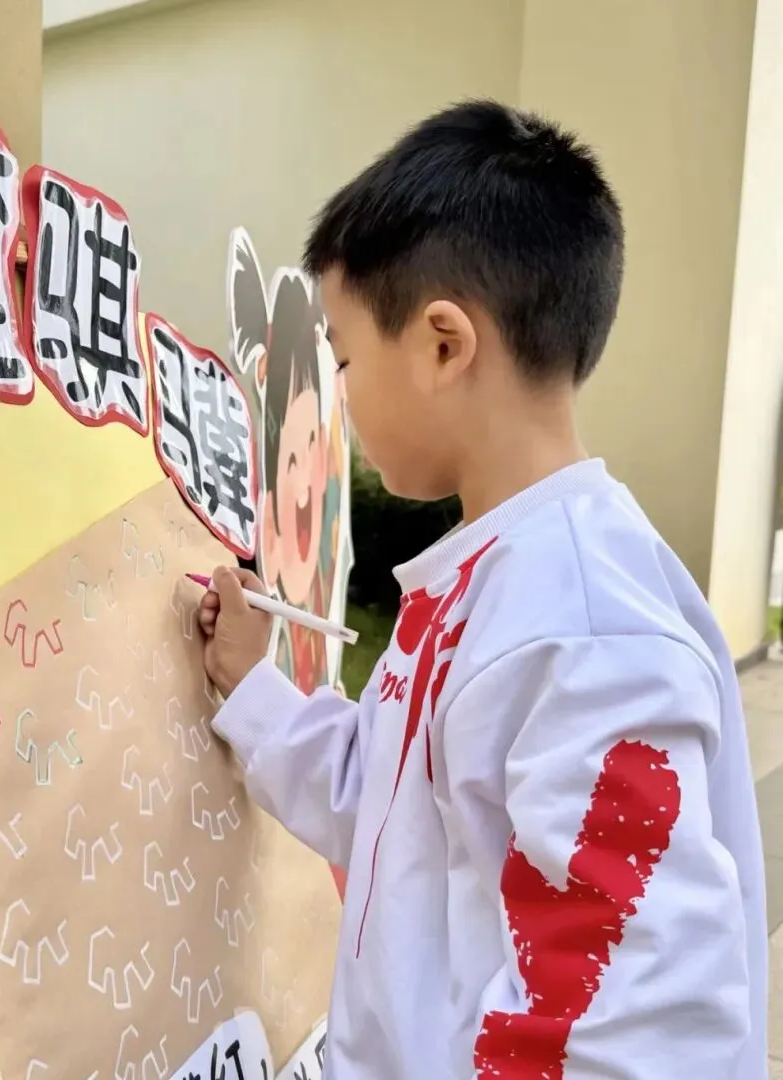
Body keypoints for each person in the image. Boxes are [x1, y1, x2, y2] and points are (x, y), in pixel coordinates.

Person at [197, 100, 767, 1080]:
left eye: (343, 358)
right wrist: (253, 688)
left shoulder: (585, 629)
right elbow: (391, 807)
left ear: (444, 344)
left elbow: (631, 1031)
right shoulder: (495, 576)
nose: (336, 395)